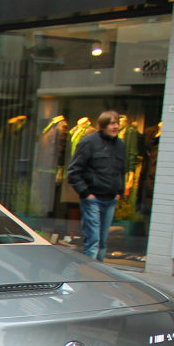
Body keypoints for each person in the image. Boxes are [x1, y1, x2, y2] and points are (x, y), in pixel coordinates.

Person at [66, 110, 127, 262]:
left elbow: (121, 170)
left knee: (103, 242)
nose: (115, 127)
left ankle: (99, 275)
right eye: (111, 123)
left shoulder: (120, 145)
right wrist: (86, 193)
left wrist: (119, 191)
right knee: (93, 241)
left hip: (110, 199)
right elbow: (74, 171)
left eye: (117, 123)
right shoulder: (89, 142)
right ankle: (88, 275)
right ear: (102, 126)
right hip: (92, 199)